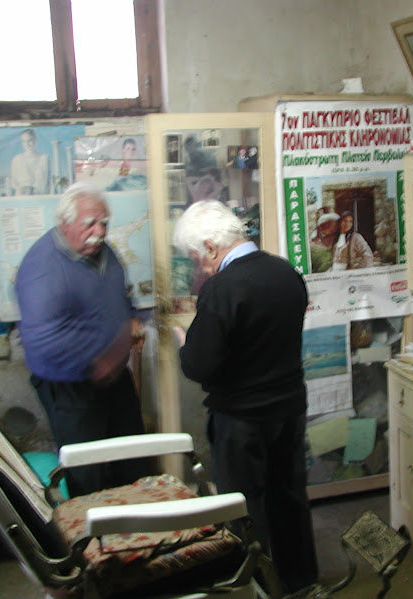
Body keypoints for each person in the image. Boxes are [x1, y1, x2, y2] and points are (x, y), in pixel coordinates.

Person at [172, 200, 319, 596]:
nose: (201, 268)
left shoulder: (222, 288)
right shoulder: (286, 272)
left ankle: (256, 587)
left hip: (241, 419)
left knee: (243, 509)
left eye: (197, 259)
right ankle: (301, 582)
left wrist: (185, 345)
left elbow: (200, 367)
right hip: (289, 408)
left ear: (210, 247)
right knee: (289, 498)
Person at [15, 182, 150, 497]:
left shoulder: (103, 251)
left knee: (132, 457)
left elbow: (118, 291)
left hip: (113, 373)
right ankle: (94, 526)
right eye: (89, 223)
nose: (99, 232)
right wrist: (100, 360)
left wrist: (129, 317)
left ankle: (137, 520)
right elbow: (42, 342)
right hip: (70, 383)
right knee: (88, 470)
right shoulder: (42, 269)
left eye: (104, 223)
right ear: (64, 223)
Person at [10, 129, 50, 195]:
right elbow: (13, 183)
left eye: (30, 140)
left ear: (35, 140)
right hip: (22, 197)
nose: (27, 144)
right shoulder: (17, 159)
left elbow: (48, 183)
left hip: (40, 197)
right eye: (24, 141)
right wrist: (21, 189)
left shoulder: (44, 158)